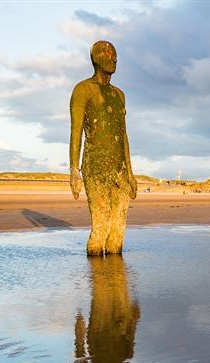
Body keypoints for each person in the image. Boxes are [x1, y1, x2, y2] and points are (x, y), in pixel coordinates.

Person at [69, 40, 137, 255]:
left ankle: (116, 283)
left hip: (120, 170)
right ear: (95, 59)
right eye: (106, 53)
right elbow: (76, 131)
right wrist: (74, 171)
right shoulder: (83, 89)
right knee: (100, 228)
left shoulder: (119, 95)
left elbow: (123, 135)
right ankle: (100, 283)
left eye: (115, 54)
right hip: (95, 166)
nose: (113, 58)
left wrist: (130, 173)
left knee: (117, 232)